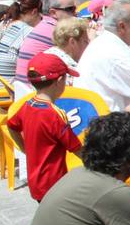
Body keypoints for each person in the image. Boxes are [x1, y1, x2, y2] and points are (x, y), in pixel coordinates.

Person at [7, 52, 82, 201]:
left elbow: (11, 126)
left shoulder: (28, 105)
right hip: (55, 184)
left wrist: (24, 149)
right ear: (60, 81)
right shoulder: (55, 114)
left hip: (36, 181)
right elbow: (76, 149)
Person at [15, 0, 77, 97]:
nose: (76, 13)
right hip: (38, 94)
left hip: (24, 92)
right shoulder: (57, 31)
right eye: (70, 9)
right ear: (53, 12)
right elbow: (80, 59)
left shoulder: (42, 26)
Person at [0, 0, 43, 84]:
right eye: (40, 17)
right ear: (34, 12)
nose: (41, 20)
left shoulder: (1, 24)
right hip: (9, 92)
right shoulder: (27, 31)